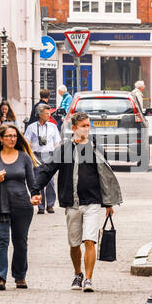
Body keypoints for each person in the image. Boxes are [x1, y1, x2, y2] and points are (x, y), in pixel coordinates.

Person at [33, 111, 122, 293]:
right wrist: (35, 190)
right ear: (74, 128)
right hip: (71, 203)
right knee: (74, 244)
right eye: (83, 126)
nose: (87, 129)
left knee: (89, 240)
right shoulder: (64, 150)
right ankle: (78, 273)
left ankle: (88, 279)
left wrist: (109, 203)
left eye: (89, 125)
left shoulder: (96, 148)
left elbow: (105, 176)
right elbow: (47, 169)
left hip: (93, 202)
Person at [0, 122, 40, 290]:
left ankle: (20, 276)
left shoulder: (24, 157)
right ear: (1, 139)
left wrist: (35, 196)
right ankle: (0, 277)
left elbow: (32, 181)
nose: (12, 139)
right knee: (1, 240)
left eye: (14, 136)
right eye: (8, 136)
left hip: (22, 205)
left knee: (20, 242)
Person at [24, 103, 62, 214]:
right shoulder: (31, 127)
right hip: (37, 155)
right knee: (38, 180)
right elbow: (27, 142)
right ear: (40, 114)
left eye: (49, 113)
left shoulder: (53, 126)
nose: (48, 115)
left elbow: (57, 142)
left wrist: (56, 155)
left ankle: (50, 205)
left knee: (50, 181)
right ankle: (40, 206)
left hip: (49, 154)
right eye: (46, 114)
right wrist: (30, 155)